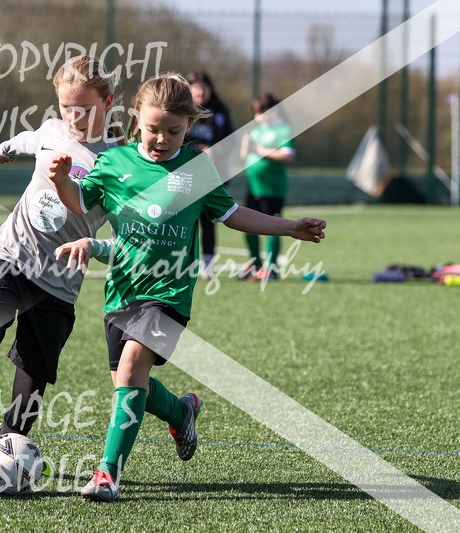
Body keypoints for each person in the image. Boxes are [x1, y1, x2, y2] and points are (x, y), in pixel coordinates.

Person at [48, 73, 326, 501]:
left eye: (174, 131)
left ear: (190, 126)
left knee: (130, 369)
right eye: (154, 128)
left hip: (169, 296)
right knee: (128, 384)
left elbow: (233, 214)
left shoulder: (196, 169)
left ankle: (107, 474)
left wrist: (290, 228)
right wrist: (62, 180)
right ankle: (182, 411)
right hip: (122, 292)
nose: (162, 138)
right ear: (136, 118)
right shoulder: (114, 164)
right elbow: (80, 203)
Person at [0, 55, 125, 478]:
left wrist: (95, 247)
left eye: (85, 108)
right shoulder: (53, 132)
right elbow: (29, 139)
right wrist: (2, 149)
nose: (74, 117)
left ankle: (8, 448)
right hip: (8, 257)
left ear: (109, 101)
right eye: (66, 107)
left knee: (33, 375)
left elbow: (129, 239)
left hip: (58, 285)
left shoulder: (120, 163)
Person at [239, 93, 296, 281]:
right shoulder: (256, 130)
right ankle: (255, 264)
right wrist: (246, 147)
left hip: (272, 188)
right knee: (247, 226)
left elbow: (288, 155)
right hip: (253, 186)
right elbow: (244, 155)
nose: (259, 116)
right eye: (256, 113)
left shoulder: (283, 130)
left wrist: (261, 150)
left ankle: (271, 269)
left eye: (262, 112)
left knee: (274, 225)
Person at [185, 71, 235, 278]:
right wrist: (197, 149)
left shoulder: (220, 112)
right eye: (195, 87)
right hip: (186, 175)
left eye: (204, 87)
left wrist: (216, 150)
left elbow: (232, 140)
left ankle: (207, 265)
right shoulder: (182, 110)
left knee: (209, 219)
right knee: (185, 221)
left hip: (212, 175)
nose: (200, 91)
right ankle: (182, 263)